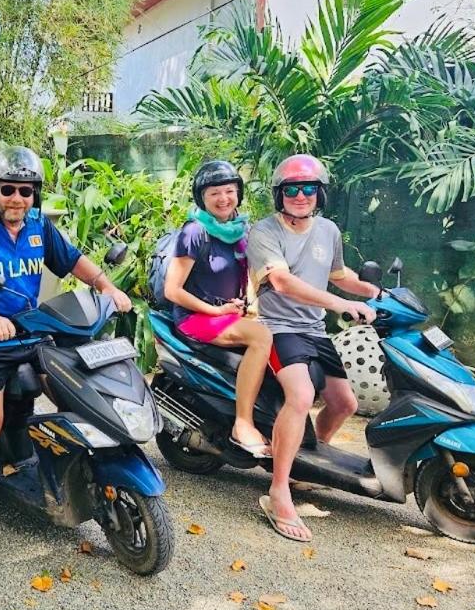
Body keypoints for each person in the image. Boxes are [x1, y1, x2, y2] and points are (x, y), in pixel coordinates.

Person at [0, 145, 132, 556]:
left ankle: (74, 470)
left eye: (25, 191)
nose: (17, 199)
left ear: (34, 194)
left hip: (31, 333)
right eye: (8, 190)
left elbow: (74, 262)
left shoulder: (40, 225)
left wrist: (106, 286)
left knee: (74, 389)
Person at [246, 154, 380, 542]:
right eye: (291, 189)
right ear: (279, 194)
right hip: (279, 329)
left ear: (319, 193)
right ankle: (279, 489)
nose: (300, 195)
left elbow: (339, 275)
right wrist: (340, 304)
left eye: (308, 188)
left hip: (315, 331)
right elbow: (283, 283)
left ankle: (306, 464)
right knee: (302, 396)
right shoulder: (264, 232)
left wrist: (374, 292)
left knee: (345, 403)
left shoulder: (328, 231)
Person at [163, 160, 272, 458]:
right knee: (262, 338)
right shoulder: (195, 232)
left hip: (230, 314)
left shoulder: (241, 229)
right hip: (196, 318)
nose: (223, 198)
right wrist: (217, 312)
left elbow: (250, 274)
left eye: (229, 191)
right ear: (202, 198)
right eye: (214, 193)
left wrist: (252, 305)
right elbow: (172, 290)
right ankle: (243, 423)